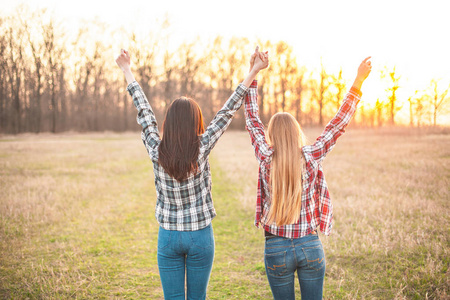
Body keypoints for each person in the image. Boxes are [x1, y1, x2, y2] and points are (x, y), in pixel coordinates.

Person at [115, 48, 268, 299]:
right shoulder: (202, 146)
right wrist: (253, 71)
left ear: (168, 122)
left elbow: (144, 112)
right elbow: (226, 112)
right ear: (195, 121)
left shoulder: (156, 149)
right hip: (200, 236)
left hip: (168, 236)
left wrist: (127, 70)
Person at [244, 49, 372, 300]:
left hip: (276, 248)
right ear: (296, 132)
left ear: (272, 135)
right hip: (310, 247)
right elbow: (338, 124)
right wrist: (358, 81)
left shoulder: (265, 156)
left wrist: (254, 73)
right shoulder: (311, 156)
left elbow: (252, 118)